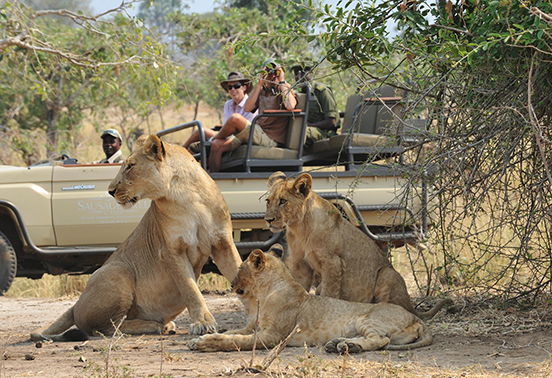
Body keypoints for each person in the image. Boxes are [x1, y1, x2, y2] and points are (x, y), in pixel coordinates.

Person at [207, 58, 297, 172]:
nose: (271, 75)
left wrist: (282, 81)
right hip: (258, 131)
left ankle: (212, 138)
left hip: (271, 138)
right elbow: (248, 108)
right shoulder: (262, 90)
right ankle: (215, 182)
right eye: (268, 72)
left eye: (274, 71)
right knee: (216, 145)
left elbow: (290, 106)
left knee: (235, 118)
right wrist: (260, 84)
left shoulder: (283, 88)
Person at [182, 71, 258, 152]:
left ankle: (178, 151)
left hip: (240, 138)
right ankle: (179, 151)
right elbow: (226, 126)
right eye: (230, 87)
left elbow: (246, 129)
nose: (233, 89)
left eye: (236, 86)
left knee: (204, 136)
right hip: (226, 135)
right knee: (197, 136)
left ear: (244, 88)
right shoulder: (228, 104)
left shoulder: (250, 103)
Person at [290, 60, 340, 148]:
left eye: (302, 73)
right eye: (296, 74)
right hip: (309, 128)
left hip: (324, 132)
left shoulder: (322, 91)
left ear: (311, 74)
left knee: (300, 133)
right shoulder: (299, 94)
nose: (298, 77)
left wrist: (308, 126)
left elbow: (331, 122)